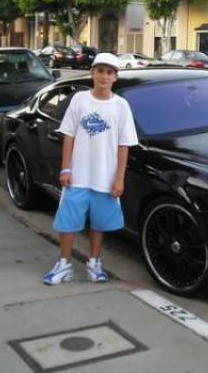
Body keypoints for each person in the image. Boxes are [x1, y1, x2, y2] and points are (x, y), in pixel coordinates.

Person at [43, 53, 138, 285]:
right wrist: (66, 169)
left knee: (99, 222)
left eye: (109, 72)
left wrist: (119, 179)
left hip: (105, 178)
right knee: (68, 221)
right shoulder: (80, 100)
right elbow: (69, 135)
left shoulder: (121, 106)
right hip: (78, 176)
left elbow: (124, 145)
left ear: (115, 77)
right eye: (100, 71)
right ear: (93, 73)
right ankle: (64, 264)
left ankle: (94, 263)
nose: (103, 76)